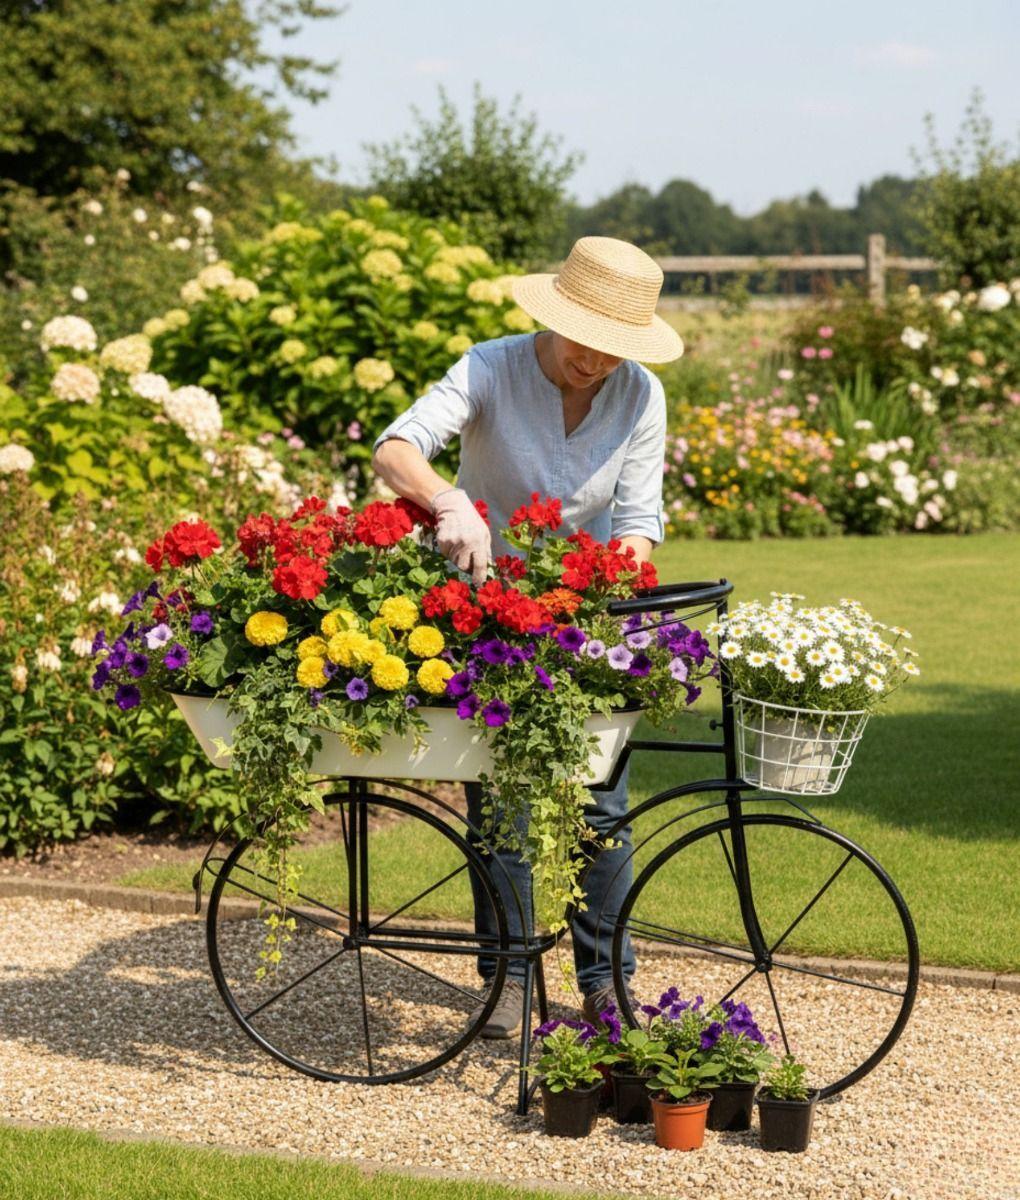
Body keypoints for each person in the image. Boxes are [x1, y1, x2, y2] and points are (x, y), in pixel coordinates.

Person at [371, 236, 683, 1037]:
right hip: (482, 612)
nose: (596, 361)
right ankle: (507, 975)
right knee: (503, 807)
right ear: (555, 315)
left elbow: (639, 523)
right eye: (586, 340)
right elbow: (397, 446)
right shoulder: (490, 367)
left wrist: (603, 585)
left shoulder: (639, 395)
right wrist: (448, 502)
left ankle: (606, 981)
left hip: (582, 616)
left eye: (616, 349)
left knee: (602, 803)